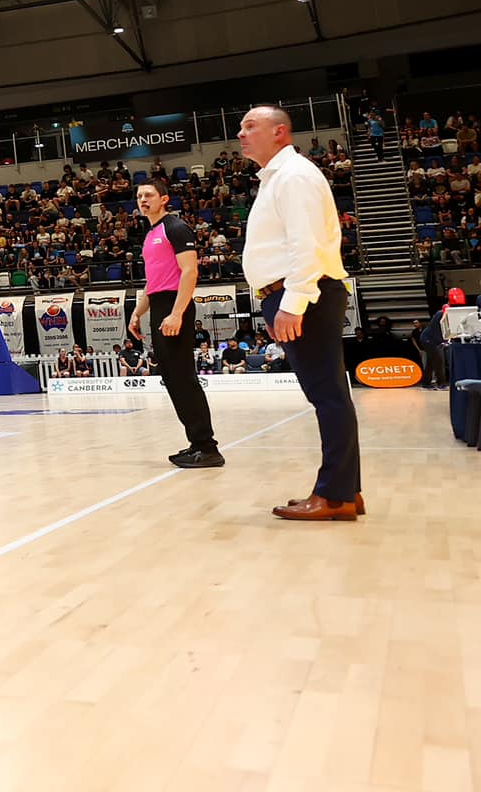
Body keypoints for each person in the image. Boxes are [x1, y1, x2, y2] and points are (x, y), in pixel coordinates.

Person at [238, 105, 360, 521]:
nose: (241, 134)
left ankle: (335, 494)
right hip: (300, 293)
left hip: (305, 294)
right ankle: (346, 490)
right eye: (241, 127)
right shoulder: (281, 178)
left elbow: (304, 246)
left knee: (326, 395)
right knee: (329, 394)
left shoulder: (294, 176)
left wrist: (292, 302)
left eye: (250, 126)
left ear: (280, 132)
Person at [128, 181, 220, 467]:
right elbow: (152, 282)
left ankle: (207, 447)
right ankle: (197, 443)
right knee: (172, 379)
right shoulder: (151, 233)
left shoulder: (175, 228)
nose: (143, 199)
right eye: (140, 195)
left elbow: (189, 272)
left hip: (174, 306)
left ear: (163, 199)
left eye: (149, 195)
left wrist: (177, 313)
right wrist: (137, 312)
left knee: (182, 378)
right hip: (159, 306)